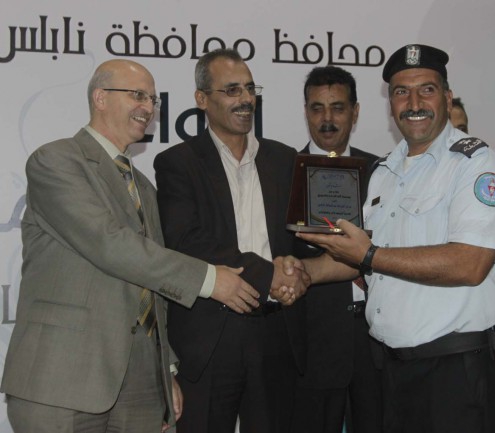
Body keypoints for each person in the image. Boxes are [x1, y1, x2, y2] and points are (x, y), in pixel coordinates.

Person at [0, 59, 260, 433]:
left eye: (153, 99)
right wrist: (209, 280)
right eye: (138, 95)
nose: (148, 107)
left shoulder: (144, 187)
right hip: (62, 380)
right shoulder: (56, 161)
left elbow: (152, 285)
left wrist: (165, 369)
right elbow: (109, 245)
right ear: (100, 98)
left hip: (140, 387)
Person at [294, 44, 495, 433]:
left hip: (457, 370)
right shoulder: (384, 171)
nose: (414, 103)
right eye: (401, 92)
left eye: (426, 90)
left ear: (447, 97)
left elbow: (471, 263)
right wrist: (302, 272)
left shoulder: (475, 165)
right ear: (390, 104)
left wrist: (370, 255)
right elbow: (358, 256)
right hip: (394, 371)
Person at [153, 48, 309, 433]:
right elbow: (185, 239)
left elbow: (299, 238)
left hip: (275, 332)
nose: (245, 99)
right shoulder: (178, 163)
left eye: (250, 89)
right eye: (232, 90)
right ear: (202, 99)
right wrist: (267, 274)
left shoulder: (284, 159)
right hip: (209, 336)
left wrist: (292, 268)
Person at [290, 65, 382, 433]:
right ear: (306, 112)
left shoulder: (382, 172)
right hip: (314, 340)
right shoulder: (284, 172)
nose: (326, 119)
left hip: (376, 337)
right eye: (317, 108)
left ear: (355, 112)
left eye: (338, 108)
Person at [450, 96, 495, 292]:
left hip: (479, 304)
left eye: (462, 129)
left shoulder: (487, 177)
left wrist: (485, 298)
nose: (457, 136)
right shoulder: (412, 181)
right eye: (449, 129)